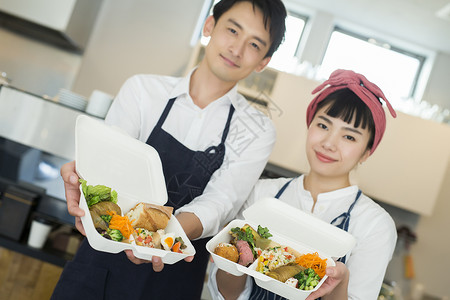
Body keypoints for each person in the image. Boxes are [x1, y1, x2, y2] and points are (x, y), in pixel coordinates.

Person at [51, 1, 287, 300]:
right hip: (100, 265)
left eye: (253, 44)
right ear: (209, 26)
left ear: (263, 62)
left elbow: (221, 201)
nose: (236, 49)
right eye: (232, 30)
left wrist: (160, 236)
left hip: (174, 276)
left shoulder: (257, 130)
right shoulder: (143, 92)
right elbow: (108, 169)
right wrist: (87, 186)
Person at [208, 69, 398, 300]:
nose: (329, 143)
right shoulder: (262, 194)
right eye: (323, 126)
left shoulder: (374, 225)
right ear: (310, 126)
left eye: (349, 137)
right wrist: (234, 256)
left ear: (367, 152)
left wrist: (340, 282)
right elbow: (227, 294)